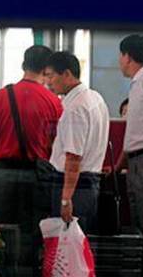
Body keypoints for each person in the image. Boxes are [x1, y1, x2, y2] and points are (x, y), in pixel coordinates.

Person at [0, 45, 63, 275]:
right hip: (36, 175)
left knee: (1, 231)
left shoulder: (0, 96)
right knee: (31, 233)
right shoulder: (53, 102)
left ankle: (2, 273)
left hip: (2, 174)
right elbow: (56, 143)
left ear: (24, 64)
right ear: (46, 69)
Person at [46, 51, 109, 234]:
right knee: (81, 241)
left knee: (67, 242)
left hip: (73, 186)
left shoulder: (75, 108)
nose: (48, 82)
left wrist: (66, 200)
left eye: (51, 76)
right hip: (89, 182)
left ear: (67, 74)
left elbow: (73, 158)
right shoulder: (95, 97)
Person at [115, 34, 143, 275]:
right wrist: (119, 164)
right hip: (137, 161)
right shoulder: (138, 83)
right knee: (140, 224)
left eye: (120, 55)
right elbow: (135, 134)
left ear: (127, 56)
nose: (119, 61)